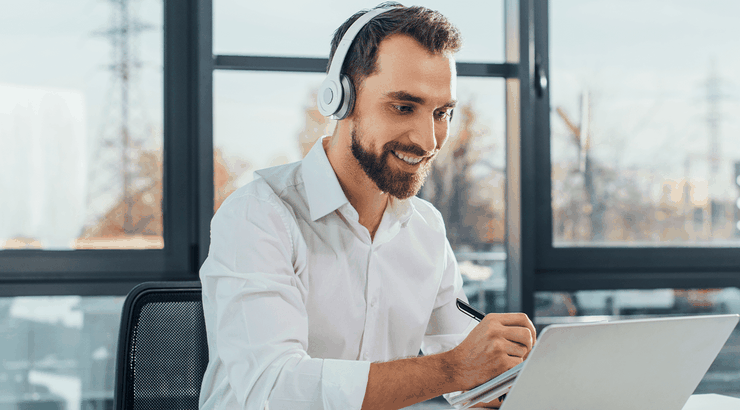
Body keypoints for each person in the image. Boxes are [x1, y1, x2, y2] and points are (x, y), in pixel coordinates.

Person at [198, 3, 536, 409]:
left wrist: (504, 386)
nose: (429, 141)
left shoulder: (425, 229)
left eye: (442, 113)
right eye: (403, 107)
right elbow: (273, 390)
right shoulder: (258, 215)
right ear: (341, 99)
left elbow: (467, 373)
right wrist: (454, 369)